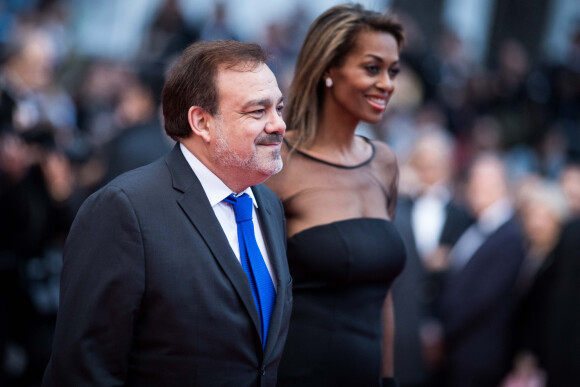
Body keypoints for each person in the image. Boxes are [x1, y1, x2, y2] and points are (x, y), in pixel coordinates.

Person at [42, 40, 292, 386]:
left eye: (279, 108)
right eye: (257, 111)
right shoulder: (124, 209)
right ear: (201, 122)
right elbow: (84, 370)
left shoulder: (268, 206)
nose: (279, 125)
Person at [265, 4, 406, 386]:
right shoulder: (276, 162)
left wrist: (388, 378)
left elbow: (384, 295)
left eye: (393, 71)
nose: (387, 83)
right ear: (329, 67)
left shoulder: (385, 163)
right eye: (372, 68)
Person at [435, 153, 526, 387]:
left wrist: (440, 331)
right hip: (460, 352)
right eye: (472, 182)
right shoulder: (472, 225)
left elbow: (482, 299)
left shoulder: (510, 236)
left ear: (499, 185)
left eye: (479, 182)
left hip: (480, 355)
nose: (472, 189)